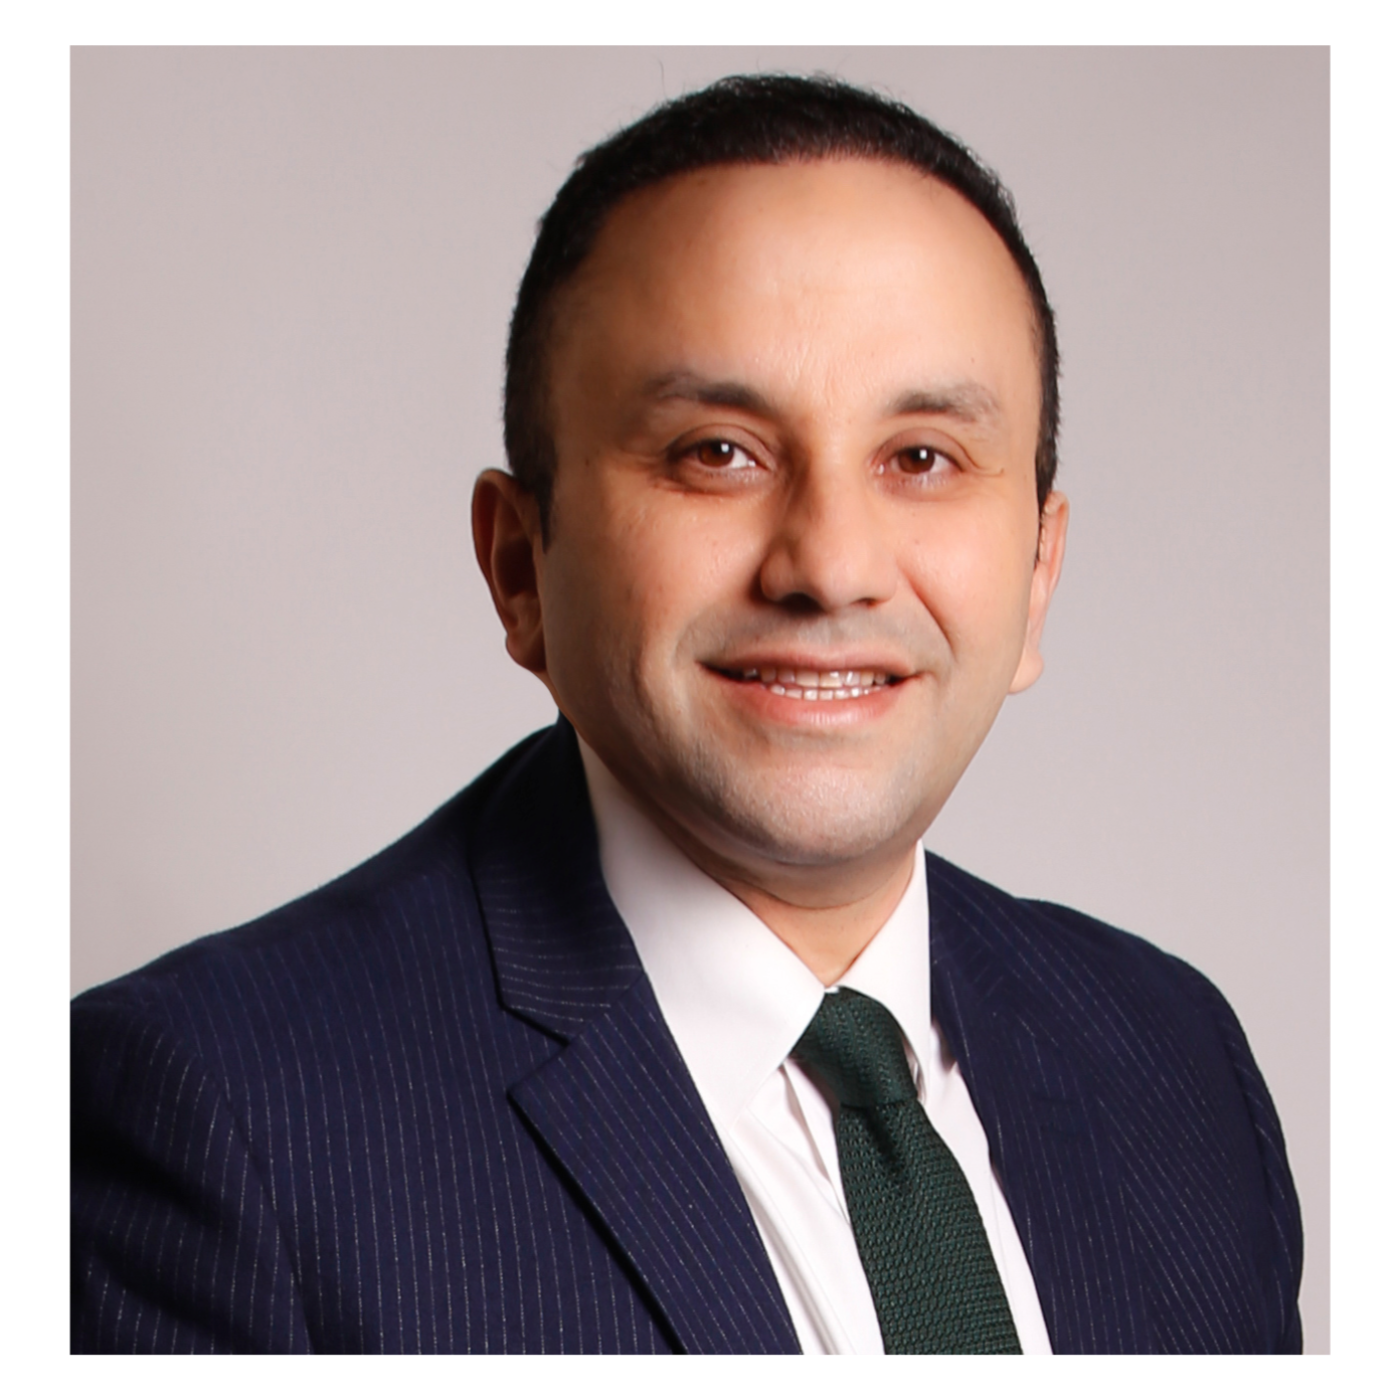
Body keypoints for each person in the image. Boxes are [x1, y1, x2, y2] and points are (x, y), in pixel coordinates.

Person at [69, 75, 1303, 1356]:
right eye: (716, 451)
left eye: (920, 457)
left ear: (1037, 574)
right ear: (519, 566)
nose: (830, 564)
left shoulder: (1174, 1069)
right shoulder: (225, 1120)